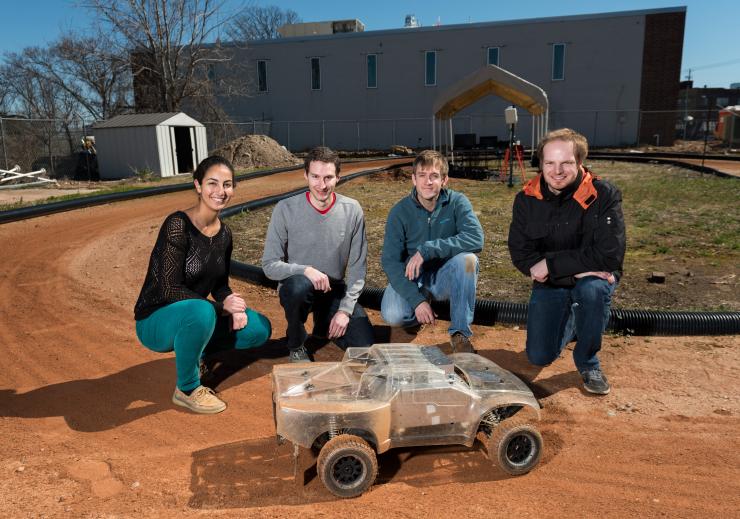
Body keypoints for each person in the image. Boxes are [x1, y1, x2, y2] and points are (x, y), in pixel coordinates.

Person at [134, 156, 272, 414]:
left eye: (227, 185)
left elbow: (220, 285)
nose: (220, 192)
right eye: (213, 183)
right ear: (198, 185)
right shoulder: (177, 225)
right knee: (202, 311)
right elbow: (168, 288)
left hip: (198, 314)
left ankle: (196, 351)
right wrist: (221, 308)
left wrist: (234, 306)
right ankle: (186, 389)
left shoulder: (225, 234)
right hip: (156, 319)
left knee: (258, 328)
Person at [508, 128, 626, 395]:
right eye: (550, 163)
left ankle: (587, 362)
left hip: (585, 280)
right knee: (539, 356)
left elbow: (609, 255)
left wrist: (550, 266)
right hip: (554, 284)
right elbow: (522, 254)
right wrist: (573, 273)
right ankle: (575, 315)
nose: (557, 170)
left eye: (566, 163)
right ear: (540, 163)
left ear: (580, 163)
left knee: (592, 290)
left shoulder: (603, 194)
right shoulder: (526, 199)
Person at [261, 146, 374, 362]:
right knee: (298, 287)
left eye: (328, 177)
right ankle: (296, 343)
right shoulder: (285, 208)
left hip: (334, 289)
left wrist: (345, 311)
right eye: (315, 177)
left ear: (338, 178)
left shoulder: (352, 210)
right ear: (305, 175)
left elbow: (358, 268)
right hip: (299, 288)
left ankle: (324, 320)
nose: (322, 185)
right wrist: (306, 270)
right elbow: (269, 265)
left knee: (363, 346)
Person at [380, 150, 484, 353]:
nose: (428, 182)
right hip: (411, 277)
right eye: (422, 175)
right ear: (413, 179)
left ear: (444, 180)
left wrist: (427, 250)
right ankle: (420, 301)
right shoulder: (399, 211)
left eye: (434, 176)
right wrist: (417, 301)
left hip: (444, 276)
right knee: (394, 315)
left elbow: (476, 238)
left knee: (468, 261)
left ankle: (460, 333)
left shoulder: (457, 202)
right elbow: (390, 261)